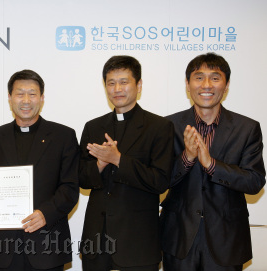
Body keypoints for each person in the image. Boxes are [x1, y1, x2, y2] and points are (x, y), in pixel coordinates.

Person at [161, 53, 266, 270]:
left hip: (226, 238)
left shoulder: (247, 128)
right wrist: (187, 158)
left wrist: (211, 164)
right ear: (188, 85)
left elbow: (255, 181)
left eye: (215, 78)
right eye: (199, 77)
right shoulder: (167, 126)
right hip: (179, 237)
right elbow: (159, 180)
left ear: (226, 85)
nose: (206, 85)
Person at [79, 55, 174, 271]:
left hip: (138, 240)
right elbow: (82, 179)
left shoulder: (159, 127)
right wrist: (100, 165)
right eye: (111, 83)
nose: (117, 89)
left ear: (138, 85)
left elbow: (160, 181)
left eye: (124, 82)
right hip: (97, 238)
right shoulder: (93, 127)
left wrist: (118, 160)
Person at [0, 69, 79, 270]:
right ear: (9, 98)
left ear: (42, 98)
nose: (26, 100)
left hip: (47, 244)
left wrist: (46, 213)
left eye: (32, 94)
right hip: (5, 248)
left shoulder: (63, 136)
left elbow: (70, 187)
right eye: (19, 93)